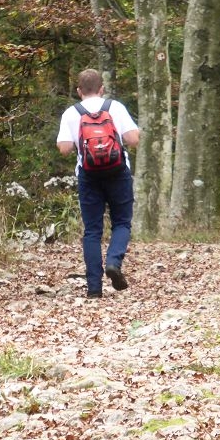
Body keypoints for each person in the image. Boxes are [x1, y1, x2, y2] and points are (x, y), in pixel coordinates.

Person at [56, 69, 140, 298]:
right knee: (122, 222)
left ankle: (94, 288)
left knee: (92, 230)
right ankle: (114, 262)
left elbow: (64, 149)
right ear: (102, 89)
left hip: (88, 175)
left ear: (78, 91)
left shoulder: (71, 113)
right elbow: (133, 140)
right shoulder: (115, 107)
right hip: (118, 172)